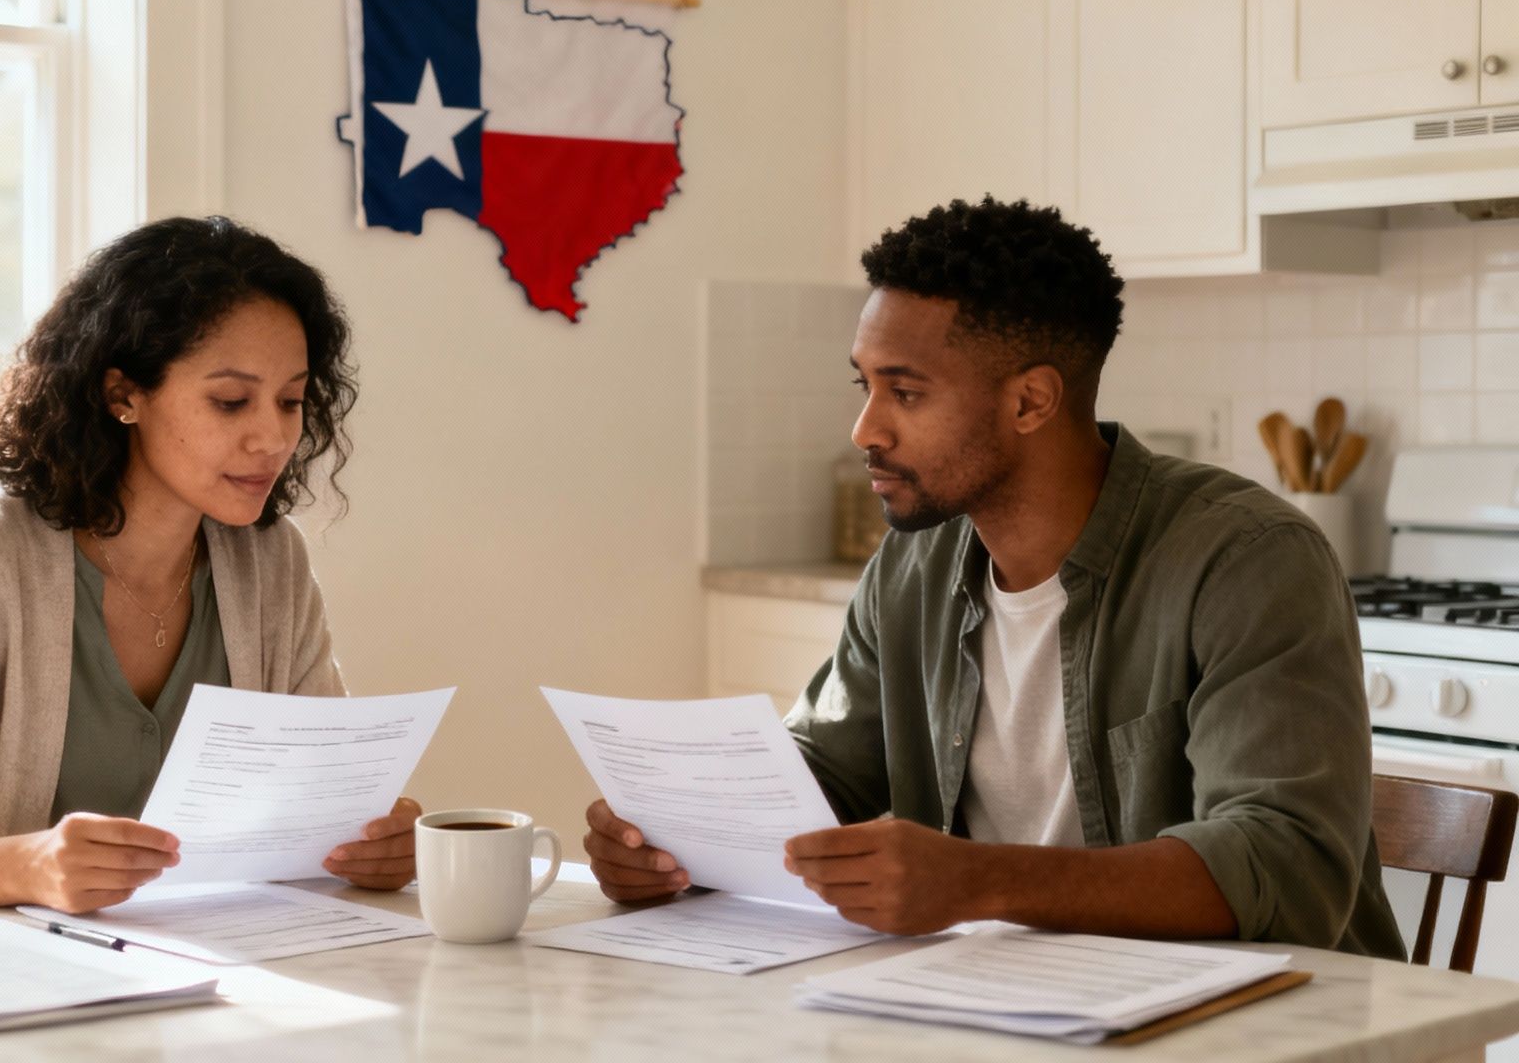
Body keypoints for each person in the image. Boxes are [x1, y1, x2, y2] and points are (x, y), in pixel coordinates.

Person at [585, 198, 1404, 957]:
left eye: (904, 391)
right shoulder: (913, 560)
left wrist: (979, 881)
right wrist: (671, 839)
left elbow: (1287, 864)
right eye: (864, 385)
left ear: (1031, 402)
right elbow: (832, 769)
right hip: (1011, 1002)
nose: (864, 427)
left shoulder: (1245, 559)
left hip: (1258, 1026)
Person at [0, 215, 419, 912]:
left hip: (193, 983)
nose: (275, 436)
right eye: (230, 401)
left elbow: (314, 810)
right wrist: (28, 866)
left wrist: (368, 844)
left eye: (290, 400)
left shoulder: (271, 564)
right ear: (122, 394)